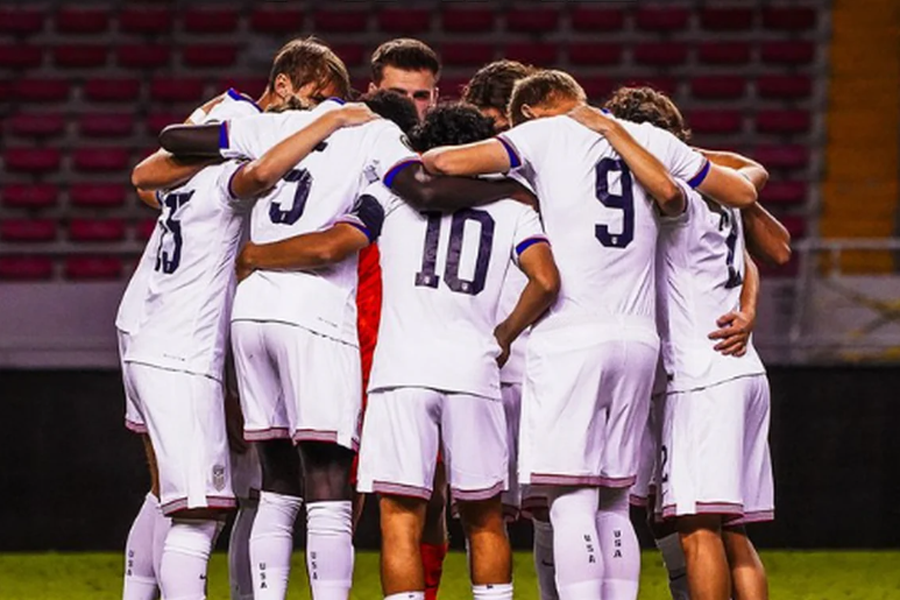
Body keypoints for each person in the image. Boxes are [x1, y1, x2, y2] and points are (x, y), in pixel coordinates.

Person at [420, 70, 759, 600]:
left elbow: (442, 161)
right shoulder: (643, 136)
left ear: (529, 110)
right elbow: (734, 190)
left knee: (570, 499)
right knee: (616, 501)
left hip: (571, 337)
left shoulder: (544, 133)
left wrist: (522, 186)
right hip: (640, 341)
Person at [594, 86, 790, 600]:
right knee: (732, 528)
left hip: (700, 376)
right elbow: (754, 251)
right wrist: (748, 310)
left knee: (697, 527)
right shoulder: (718, 190)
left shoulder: (667, 194)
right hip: (741, 367)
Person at [360, 37, 447, 600]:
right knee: (340, 488)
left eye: (422, 95)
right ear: (372, 92)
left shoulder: (452, 154)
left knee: (433, 489)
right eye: (399, 94)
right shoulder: (345, 144)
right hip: (354, 325)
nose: (413, 107)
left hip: (425, 334)